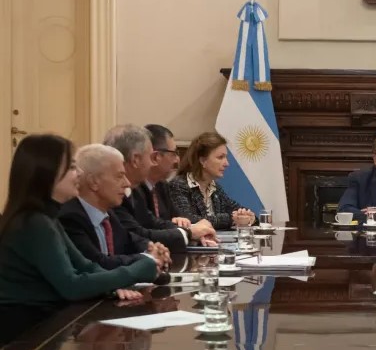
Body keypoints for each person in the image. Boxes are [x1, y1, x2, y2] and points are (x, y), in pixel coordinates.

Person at [0, 134, 154, 306]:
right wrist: (135, 271)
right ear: (48, 174)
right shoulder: (34, 223)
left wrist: (111, 284)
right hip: (30, 321)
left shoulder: (47, 218)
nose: (80, 173)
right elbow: (72, 286)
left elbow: (86, 266)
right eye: (72, 167)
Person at [59, 144, 170, 271]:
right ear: (94, 182)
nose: (127, 183)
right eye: (119, 176)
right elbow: (99, 263)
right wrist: (149, 258)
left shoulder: (108, 213)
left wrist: (151, 248)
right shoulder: (69, 217)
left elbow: (129, 240)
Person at [104, 124, 215, 250]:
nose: (152, 163)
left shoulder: (135, 190)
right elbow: (136, 235)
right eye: (150, 157)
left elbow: (152, 223)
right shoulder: (113, 194)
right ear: (135, 160)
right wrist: (189, 233)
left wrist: (191, 231)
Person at [169, 131, 256, 230]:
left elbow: (238, 210)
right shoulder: (179, 185)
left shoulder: (215, 188)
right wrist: (232, 218)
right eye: (220, 157)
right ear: (203, 161)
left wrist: (248, 216)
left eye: (225, 157)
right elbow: (189, 220)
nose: (226, 163)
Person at [140, 124, 183, 223]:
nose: (177, 160)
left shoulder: (161, 185)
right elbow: (149, 225)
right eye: (174, 153)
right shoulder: (135, 189)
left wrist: (196, 222)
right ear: (156, 157)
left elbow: (178, 215)